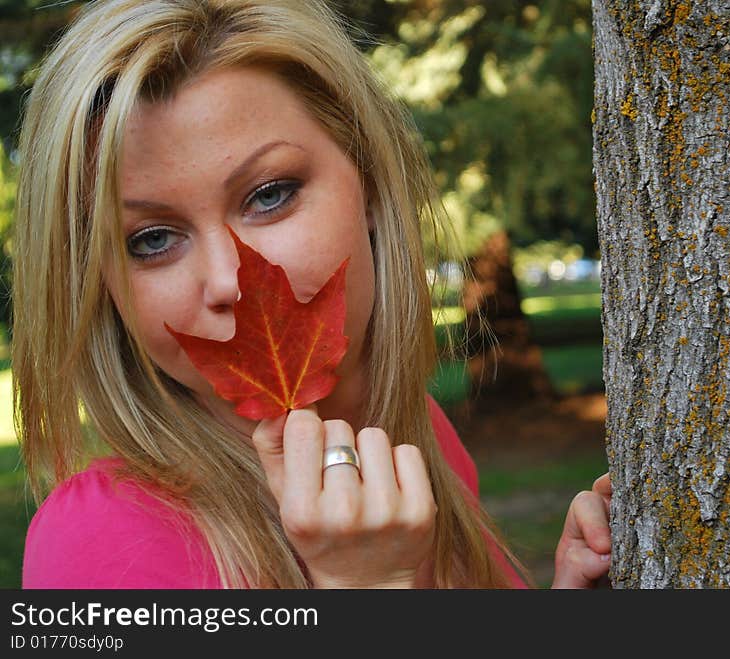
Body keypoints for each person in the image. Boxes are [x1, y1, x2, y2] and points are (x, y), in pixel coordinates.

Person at [13, 0, 611, 589]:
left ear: (371, 186)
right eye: (151, 240)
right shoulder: (101, 546)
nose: (230, 281)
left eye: (269, 195)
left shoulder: (406, 440)